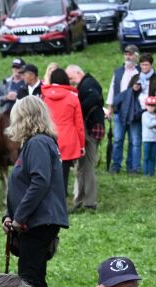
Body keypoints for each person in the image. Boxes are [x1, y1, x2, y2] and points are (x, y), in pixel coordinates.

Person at [3, 96, 68, 287]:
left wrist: (19, 217)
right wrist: (9, 216)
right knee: (33, 274)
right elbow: (24, 185)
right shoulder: (38, 143)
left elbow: (40, 181)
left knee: (30, 277)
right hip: (36, 219)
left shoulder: (38, 143)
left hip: (37, 221)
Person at [66, 65, 104, 214]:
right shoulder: (88, 83)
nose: (70, 81)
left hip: (89, 129)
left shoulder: (88, 83)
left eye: (71, 77)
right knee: (82, 167)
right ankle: (80, 200)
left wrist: (77, 108)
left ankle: (89, 202)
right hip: (90, 129)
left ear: (78, 72)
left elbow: (95, 98)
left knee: (87, 167)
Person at [41, 68, 85, 198]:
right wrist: (81, 145)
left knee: (50, 172)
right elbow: (79, 124)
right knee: (64, 172)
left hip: (49, 137)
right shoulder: (72, 97)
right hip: (68, 139)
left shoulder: (44, 97)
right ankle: (62, 200)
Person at [108, 45, 142, 175]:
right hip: (119, 110)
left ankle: (132, 166)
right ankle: (115, 166)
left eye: (131, 54)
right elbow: (112, 89)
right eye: (126, 54)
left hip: (134, 111)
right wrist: (110, 108)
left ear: (136, 56)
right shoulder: (118, 72)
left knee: (134, 140)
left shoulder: (140, 72)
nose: (128, 57)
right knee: (118, 140)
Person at [141, 97, 156, 177]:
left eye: (153, 105)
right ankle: (145, 173)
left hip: (155, 139)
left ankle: (151, 173)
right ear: (146, 106)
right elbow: (149, 124)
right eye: (149, 105)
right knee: (146, 157)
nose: (151, 107)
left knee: (153, 157)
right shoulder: (144, 115)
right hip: (147, 139)